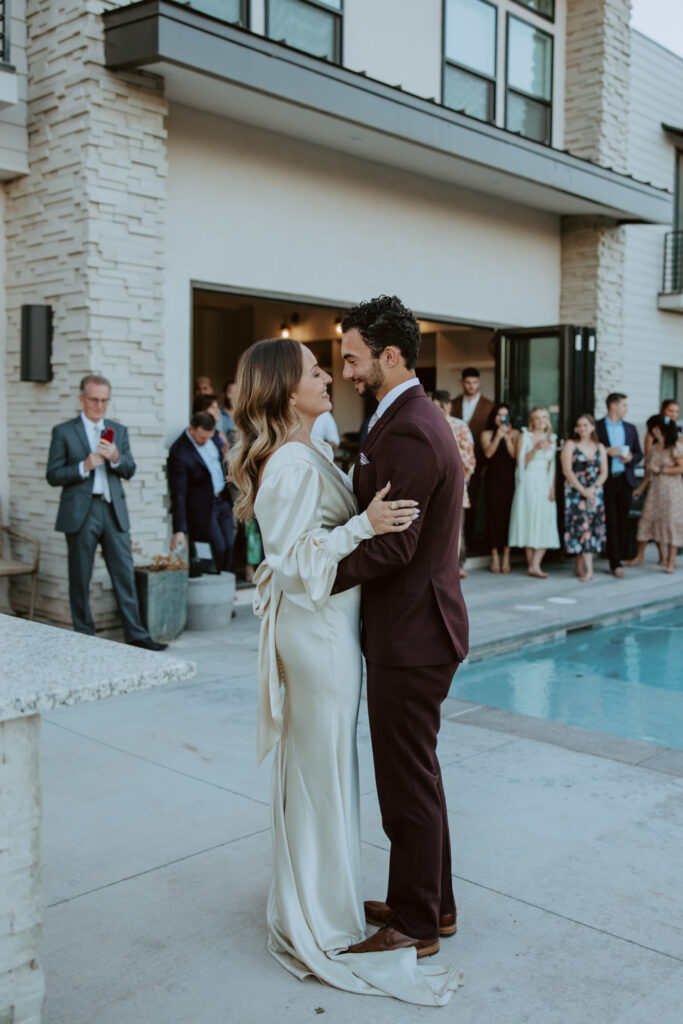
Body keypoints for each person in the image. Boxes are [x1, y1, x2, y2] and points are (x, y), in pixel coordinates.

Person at [231, 337, 461, 1004]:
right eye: (312, 371)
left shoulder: (308, 451)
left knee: (327, 770)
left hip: (332, 630)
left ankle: (336, 898)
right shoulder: (292, 464)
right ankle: (322, 915)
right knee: (321, 772)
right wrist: (362, 526)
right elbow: (299, 564)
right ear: (284, 390)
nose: (328, 376)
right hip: (319, 636)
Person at [333, 295, 468, 967]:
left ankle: (414, 921)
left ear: (390, 356)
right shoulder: (405, 416)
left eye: (353, 357)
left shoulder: (411, 428)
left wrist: (313, 577)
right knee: (420, 774)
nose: (346, 371)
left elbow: (396, 546)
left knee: (404, 783)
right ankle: (431, 901)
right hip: (417, 629)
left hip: (413, 634)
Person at [46, 375, 167, 650]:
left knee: (124, 573)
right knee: (80, 576)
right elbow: (52, 475)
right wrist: (83, 466)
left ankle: (136, 634)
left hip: (113, 511)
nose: (100, 405)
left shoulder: (117, 431)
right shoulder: (64, 431)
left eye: (104, 400)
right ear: (82, 399)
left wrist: (115, 457)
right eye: (94, 400)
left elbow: (130, 469)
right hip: (81, 512)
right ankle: (84, 635)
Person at [167, 411, 234, 573]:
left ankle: (224, 582)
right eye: (202, 438)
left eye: (209, 438)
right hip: (203, 507)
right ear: (191, 430)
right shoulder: (179, 452)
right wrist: (179, 529)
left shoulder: (214, 438)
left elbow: (218, 463)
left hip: (222, 501)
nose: (205, 441)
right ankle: (215, 583)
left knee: (230, 544)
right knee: (218, 547)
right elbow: (179, 493)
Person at [626, 415, 683, 574]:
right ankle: (639, 556)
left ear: (656, 429)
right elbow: (649, 473)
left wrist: (663, 470)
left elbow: (681, 468)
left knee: (671, 522)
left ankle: (671, 562)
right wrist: (640, 488)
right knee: (647, 519)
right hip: (655, 489)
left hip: (672, 490)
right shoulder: (655, 447)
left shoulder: (675, 446)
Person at [508, 407, 560, 578]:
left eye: (544, 417)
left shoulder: (552, 439)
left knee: (546, 521)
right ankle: (533, 566)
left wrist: (552, 488)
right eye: (537, 417)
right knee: (528, 520)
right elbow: (520, 462)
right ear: (532, 421)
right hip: (528, 482)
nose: (541, 420)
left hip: (544, 483)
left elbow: (552, 467)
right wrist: (536, 448)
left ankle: (535, 564)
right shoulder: (525, 436)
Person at [595, 393, 643, 578]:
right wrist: (605, 451)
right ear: (613, 406)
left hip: (625, 479)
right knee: (611, 521)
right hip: (606, 480)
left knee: (622, 521)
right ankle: (615, 563)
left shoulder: (630, 428)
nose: (626, 408)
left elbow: (639, 454)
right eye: (624, 405)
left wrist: (631, 458)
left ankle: (617, 556)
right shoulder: (597, 427)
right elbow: (590, 450)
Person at [432, 390, 475, 578]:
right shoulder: (429, 424)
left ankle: (455, 565)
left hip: (455, 483)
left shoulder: (460, 427)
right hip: (432, 484)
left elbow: (469, 460)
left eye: (441, 406)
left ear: (448, 405)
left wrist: (461, 483)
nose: (438, 409)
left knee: (456, 528)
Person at [451, 367, 494, 550]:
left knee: (474, 501)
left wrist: (485, 464)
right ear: (462, 383)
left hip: (480, 460)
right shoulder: (454, 403)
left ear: (479, 383)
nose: (471, 386)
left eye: (474, 382)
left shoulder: (489, 406)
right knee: (457, 502)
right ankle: (460, 543)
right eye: (468, 382)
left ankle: (471, 541)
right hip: (457, 460)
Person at [561, 414, 608, 582]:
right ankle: (589, 570)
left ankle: (579, 566)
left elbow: (604, 472)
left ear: (593, 427)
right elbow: (567, 470)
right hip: (575, 493)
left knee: (591, 528)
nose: (582, 428)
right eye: (579, 425)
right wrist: (582, 490)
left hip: (594, 493)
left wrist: (593, 489)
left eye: (585, 425)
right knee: (582, 528)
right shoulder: (571, 445)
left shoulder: (600, 447)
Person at [481, 403, 518, 574]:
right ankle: (495, 557)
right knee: (493, 517)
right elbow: (488, 454)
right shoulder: (486, 434)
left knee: (509, 516)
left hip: (510, 479)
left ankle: (507, 557)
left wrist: (507, 437)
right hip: (493, 480)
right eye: (499, 415)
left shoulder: (515, 433)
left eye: (505, 415)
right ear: (494, 417)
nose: (501, 418)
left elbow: (513, 455)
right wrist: (498, 436)